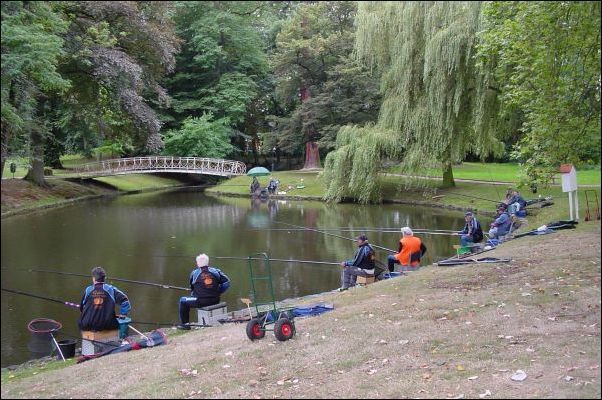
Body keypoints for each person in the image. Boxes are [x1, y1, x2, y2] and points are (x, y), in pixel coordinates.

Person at [178, 254, 230, 330]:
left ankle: (185, 325)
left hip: (201, 301)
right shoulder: (216, 271)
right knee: (192, 298)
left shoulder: (194, 273)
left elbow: (192, 288)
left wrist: (195, 294)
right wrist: (219, 291)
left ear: (198, 263)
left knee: (182, 300)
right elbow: (227, 282)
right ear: (207, 263)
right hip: (216, 299)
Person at [78, 266, 131, 332]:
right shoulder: (110, 289)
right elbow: (125, 301)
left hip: (86, 325)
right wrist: (123, 314)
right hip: (107, 325)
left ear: (94, 278)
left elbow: (81, 308)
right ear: (104, 278)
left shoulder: (88, 290)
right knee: (114, 324)